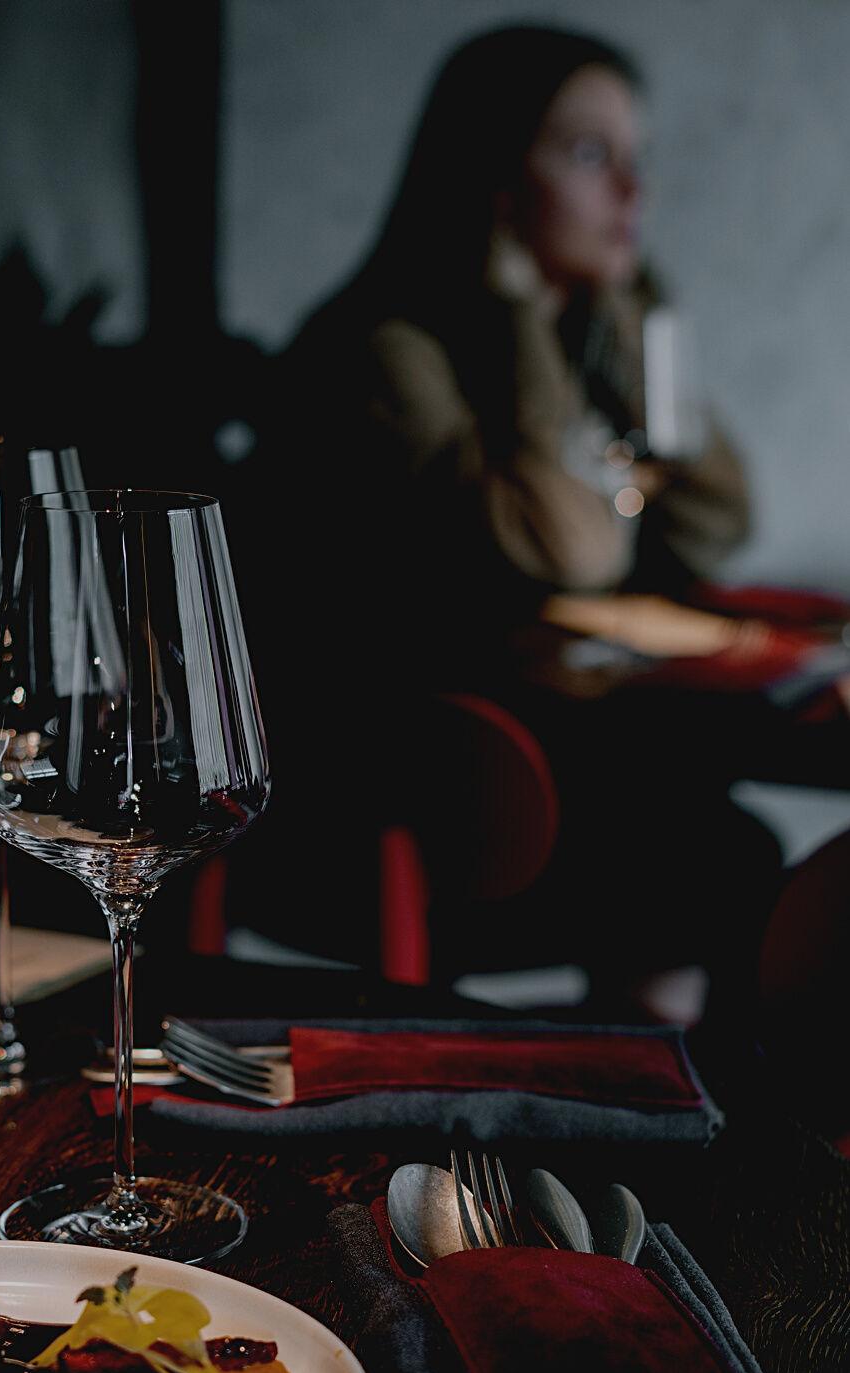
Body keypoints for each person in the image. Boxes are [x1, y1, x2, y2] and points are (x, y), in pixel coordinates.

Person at [234, 26, 850, 1015]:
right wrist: (519, 320)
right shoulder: (391, 350)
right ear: (495, 180)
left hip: (530, 773)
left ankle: (676, 1111)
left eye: (635, 158)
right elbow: (571, 547)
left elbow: (714, 520)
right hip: (392, 819)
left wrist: (636, 332)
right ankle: (655, 1101)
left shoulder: (582, 338)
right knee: (709, 857)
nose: (630, 192)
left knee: (728, 851)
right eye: (586, 152)